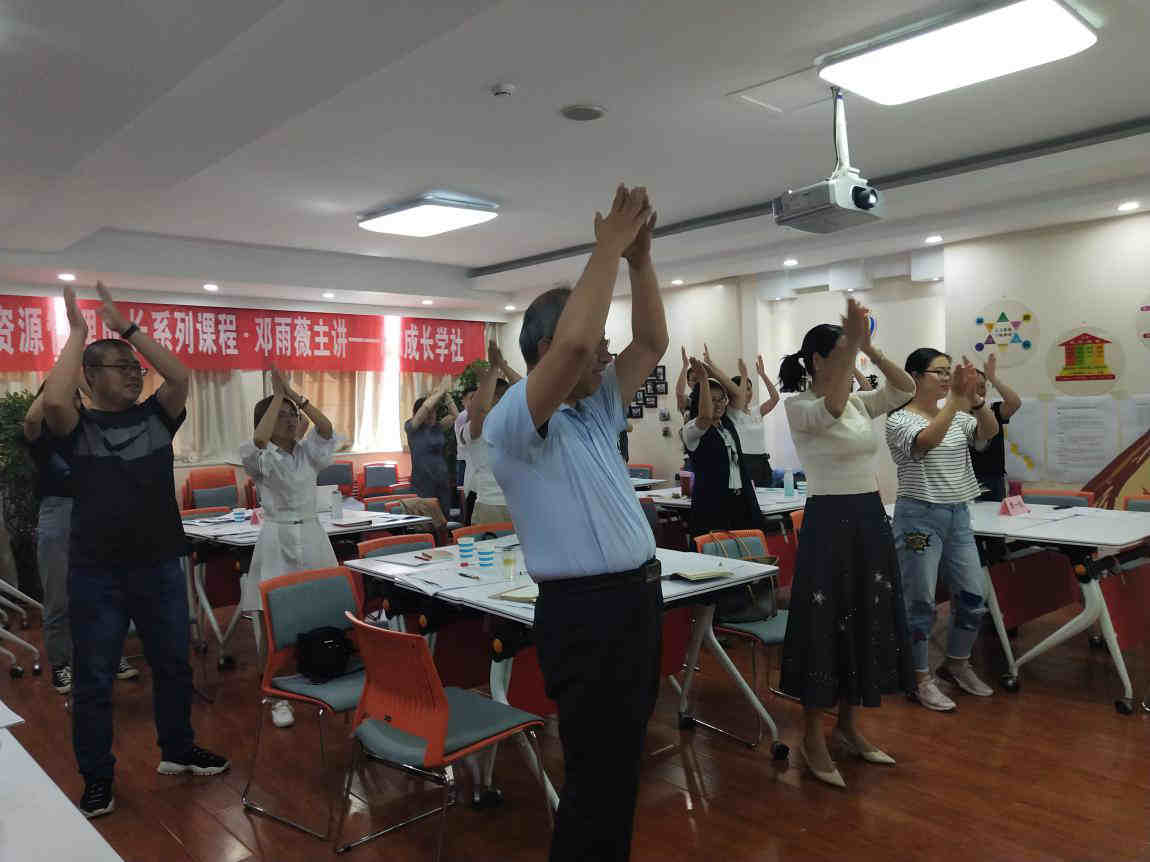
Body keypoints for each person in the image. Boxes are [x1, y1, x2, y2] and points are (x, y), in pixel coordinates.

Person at [485, 184, 666, 861]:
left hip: (634, 602)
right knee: (595, 778)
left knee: (620, 771)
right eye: (594, 349)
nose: (604, 355)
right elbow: (576, 344)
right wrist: (607, 249)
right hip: (586, 614)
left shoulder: (595, 409)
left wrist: (641, 261)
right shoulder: (513, 420)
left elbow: (652, 340)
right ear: (547, 347)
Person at [43, 284, 228, 819]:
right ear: (89, 376)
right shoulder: (76, 428)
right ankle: (98, 777)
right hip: (96, 574)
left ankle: (177, 749)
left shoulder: (155, 418)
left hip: (159, 564)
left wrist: (127, 329)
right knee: (95, 680)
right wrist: (79, 333)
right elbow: (53, 400)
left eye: (134, 366)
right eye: (120, 366)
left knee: (173, 665)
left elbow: (181, 376)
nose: (133, 373)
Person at [777, 298, 917, 788]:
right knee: (824, 625)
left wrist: (869, 349)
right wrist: (853, 345)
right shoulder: (800, 407)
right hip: (828, 522)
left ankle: (849, 727)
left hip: (868, 517)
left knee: (864, 616)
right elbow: (832, 406)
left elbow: (905, 388)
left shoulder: (860, 402)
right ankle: (812, 737)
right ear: (817, 360)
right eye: (840, 352)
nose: (850, 359)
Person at [886, 349, 999, 712]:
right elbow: (926, 442)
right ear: (915, 377)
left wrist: (975, 399)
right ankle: (919, 677)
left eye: (949, 371)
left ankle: (957, 663)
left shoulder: (957, 414)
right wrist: (955, 400)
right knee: (919, 601)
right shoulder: (899, 419)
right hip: (918, 518)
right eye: (939, 372)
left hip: (958, 515)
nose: (947, 378)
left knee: (973, 595)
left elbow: (989, 432)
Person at [239, 366, 340, 729]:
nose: (290, 419)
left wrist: (296, 397)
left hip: (312, 536)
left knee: (318, 610)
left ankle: (316, 671)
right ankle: (275, 693)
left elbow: (326, 427)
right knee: (274, 620)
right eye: (280, 414)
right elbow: (259, 440)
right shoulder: (258, 456)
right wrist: (279, 395)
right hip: (277, 540)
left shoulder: (309, 452)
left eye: (292, 414)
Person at [23, 381, 138, 695]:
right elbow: (31, 420)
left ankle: (111, 656)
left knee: (105, 592)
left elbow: (103, 406)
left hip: (94, 510)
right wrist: (56, 383)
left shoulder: (87, 431)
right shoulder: (42, 438)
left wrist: (78, 382)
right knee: (59, 597)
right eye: (60, 398)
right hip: (57, 512)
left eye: (72, 398)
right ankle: (61, 664)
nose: (67, 403)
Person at [681, 353, 766, 539]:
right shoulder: (692, 430)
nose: (719, 404)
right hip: (712, 505)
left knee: (748, 551)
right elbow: (705, 417)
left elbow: (738, 395)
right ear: (701, 401)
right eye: (712, 400)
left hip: (740, 501)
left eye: (721, 399)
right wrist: (703, 379)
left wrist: (711, 371)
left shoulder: (727, 422)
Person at [462, 342, 515, 525]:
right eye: (496, 395)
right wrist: (493, 369)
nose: (502, 400)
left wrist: (503, 366)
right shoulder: (472, 428)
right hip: (491, 504)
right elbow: (481, 410)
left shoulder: (513, 423)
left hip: (518, 502)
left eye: (505, 395)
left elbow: (528, 394)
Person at [969, 353, 1022, 502]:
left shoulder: (993, 409)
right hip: (963, 479)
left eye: (982, 386)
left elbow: (1015, 403)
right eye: (972, 386)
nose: (978, 391)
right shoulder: (954, 414)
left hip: (993, 478)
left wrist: (992, 378)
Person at [405, 378, 458, 518]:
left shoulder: (438, 427)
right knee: (426, 520)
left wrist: (446, 395)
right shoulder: (412, 427)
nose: (431, 414)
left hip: (442, 480)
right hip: (422, 482)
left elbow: (456, 416)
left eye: (434, 411)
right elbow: (425, 408)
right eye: (428, 412)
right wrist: (437, 393)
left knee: (444, 519)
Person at [727, 354, 781, 487]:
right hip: (744, 461)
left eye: (749, 389)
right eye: (744, 389)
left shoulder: (756, 411)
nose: (748, 393)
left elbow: (775, 398)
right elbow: (738, 399)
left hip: (762, 462)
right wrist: (743, 375)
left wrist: (762, 374)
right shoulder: (731, 412)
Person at [455, 382, 477, 523]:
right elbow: (465, 438)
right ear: (463, 400)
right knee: (468, 501)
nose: (475, 401)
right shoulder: (464, 417)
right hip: (466, 463)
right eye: (472, 397)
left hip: (473, 466)